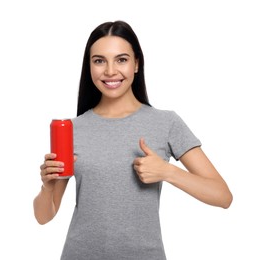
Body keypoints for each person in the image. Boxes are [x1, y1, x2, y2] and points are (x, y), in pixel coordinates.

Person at [33, 20, 233, 260]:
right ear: (89, 67)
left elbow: (223, 196)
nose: (110, 71)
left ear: (136, 64)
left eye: (121, 59)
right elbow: (44, 216)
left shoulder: (166, 123)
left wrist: (167, 172)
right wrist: (47, 187)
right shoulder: (72, 129)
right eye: (99, 61)